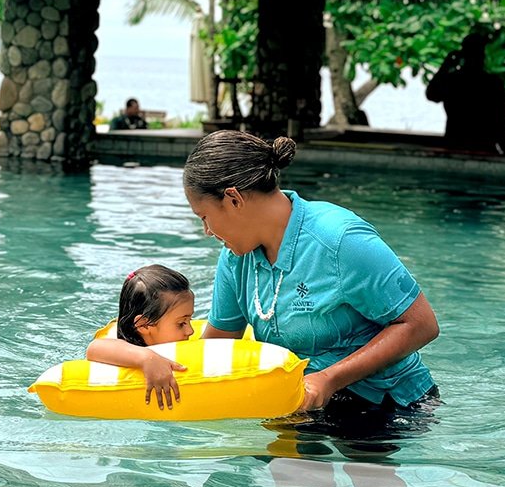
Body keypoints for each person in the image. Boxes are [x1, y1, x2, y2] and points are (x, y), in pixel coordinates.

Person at [184, 131, 439, 431]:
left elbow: (422, 325)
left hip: (386, 402)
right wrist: (150, 360)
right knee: (290, 476)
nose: (207, 231)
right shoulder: (236, 257)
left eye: (204, 217)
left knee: (368, 473)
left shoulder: (340, 240)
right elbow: (217, 346)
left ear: (233, 199)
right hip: (301, 397)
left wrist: (329, 379)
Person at [84, 264, 193, 409]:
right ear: (144, 325)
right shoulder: (124, 346)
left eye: (189, 320)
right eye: (181, 323)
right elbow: (94, 348)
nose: (190, 331)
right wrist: (146, 358)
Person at [425, 32, 505, 155]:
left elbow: (431, 94)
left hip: (454, 146)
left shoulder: (452, 81)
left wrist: (445, 67)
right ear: (482, 54)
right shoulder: (492, 83)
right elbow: (501, 123)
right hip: (484, 147)